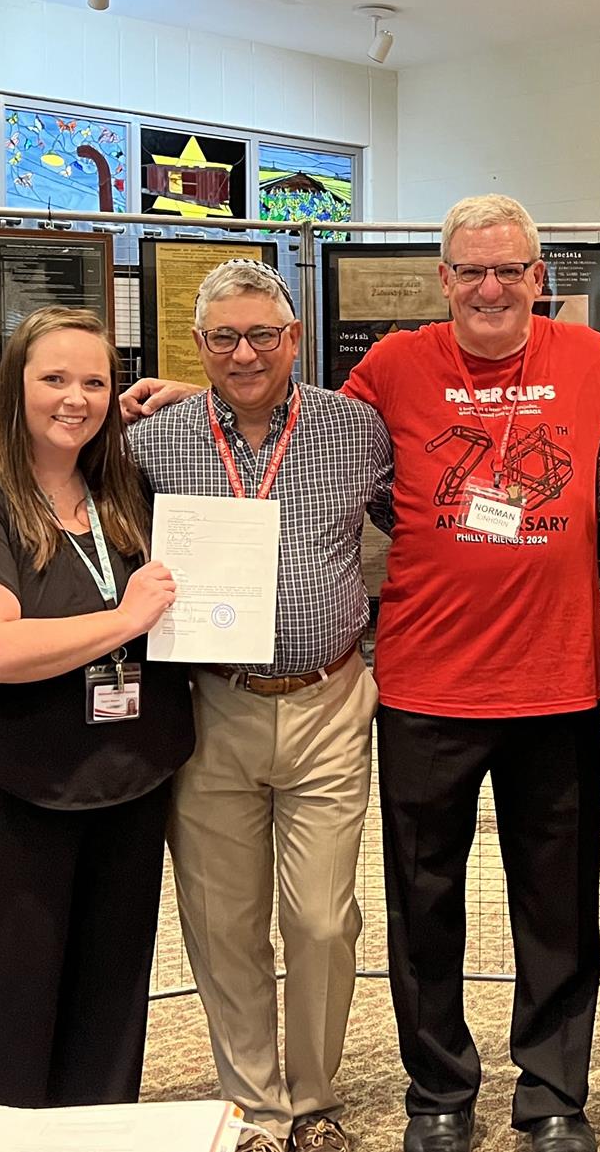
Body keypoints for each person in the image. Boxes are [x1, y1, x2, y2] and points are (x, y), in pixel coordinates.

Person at [342, 194, 600, 1152]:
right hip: (427, 686)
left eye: (510, 268)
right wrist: (200, 396)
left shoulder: (587, 361)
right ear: (445, 279)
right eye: (473, 269)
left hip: (553, 684)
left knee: (557, 902)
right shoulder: (394, 364)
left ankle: (552, 1089)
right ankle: (438, 1092)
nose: (492, 286)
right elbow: (307, 442)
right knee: (424, 903)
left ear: (540, 278)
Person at [0, 306, 191, 1120]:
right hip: (2, 799)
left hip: (122, 786)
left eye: (95, 381)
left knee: (107, 1007)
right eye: (53, 378)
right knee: (3, 1009)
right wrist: (124, 619)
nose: (76, 398)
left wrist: (201, 388)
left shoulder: (123, 490)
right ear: (12, 386)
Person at [126, 258, 392, 1152]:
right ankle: (255, 1105)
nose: (246, 353)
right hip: (208, 706)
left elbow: (418, 532)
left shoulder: (356, 429)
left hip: (327, 699)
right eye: (225, 337)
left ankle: (313, 1098)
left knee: (321, 917)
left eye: (264, 335)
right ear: (198, 345)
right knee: (223, 919)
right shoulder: (154, 440)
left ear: (295, 338)